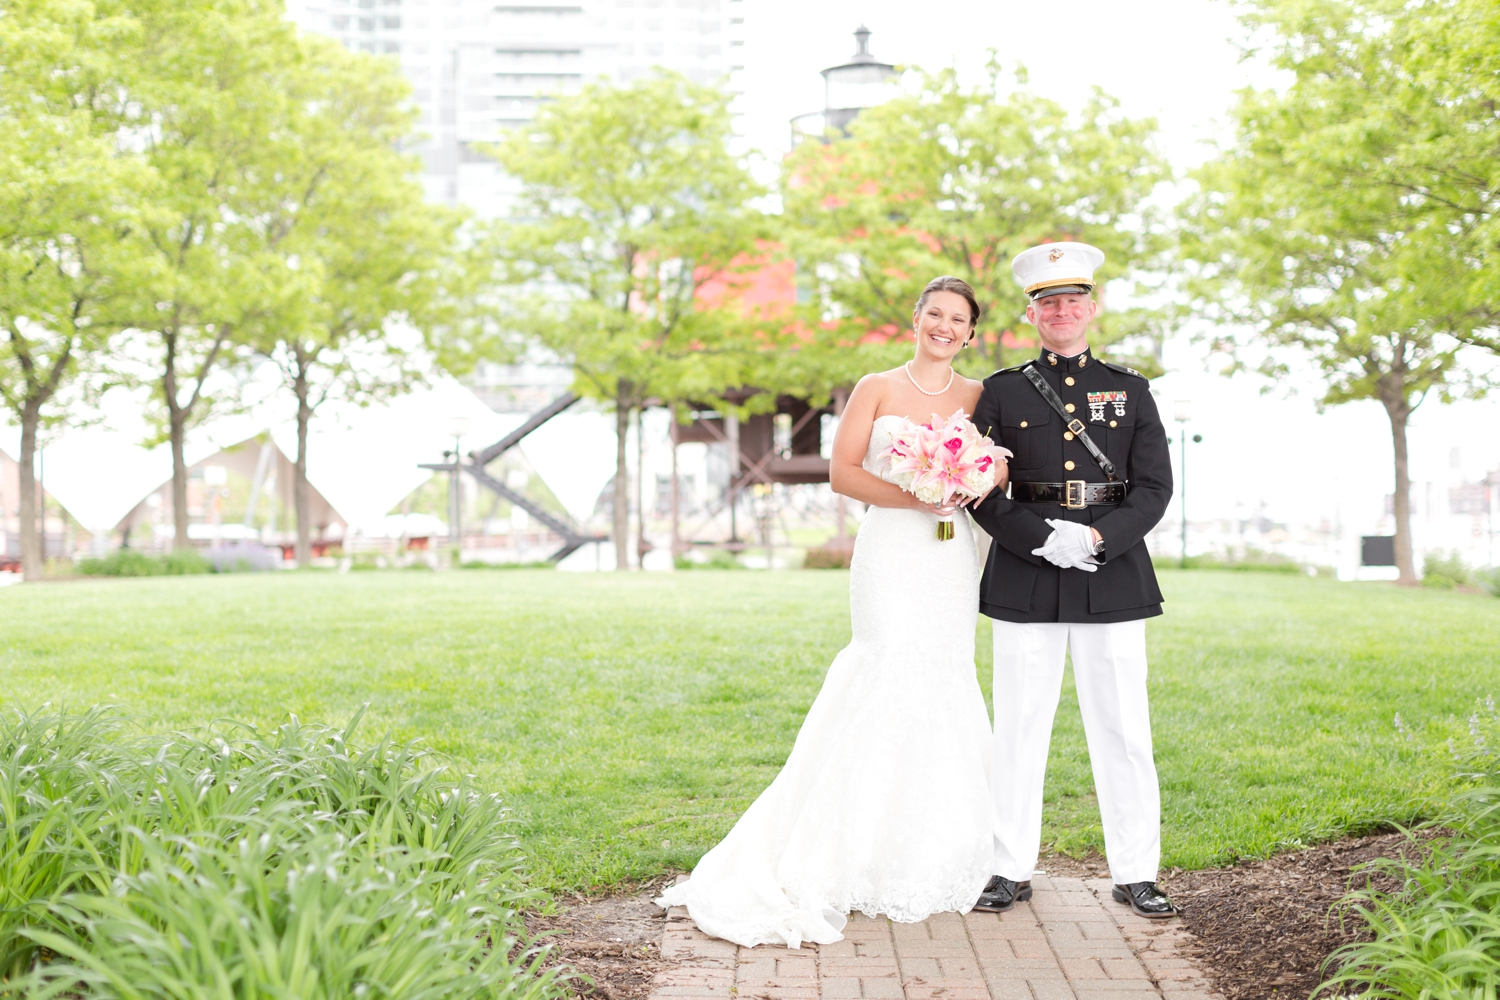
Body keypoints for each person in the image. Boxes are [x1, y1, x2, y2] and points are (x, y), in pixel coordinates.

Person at [655, 276, 1007, 948]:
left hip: (949, 556)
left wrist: (973, 479)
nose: (944, 326)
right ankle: (847, 849)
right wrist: (920, 492)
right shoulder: (876, 386)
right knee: (883, 668)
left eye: (957, 319)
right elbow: (843, 473)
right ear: (916, 318)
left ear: (970, 332)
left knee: (945, 673)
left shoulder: (979, 397)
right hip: (892, 548)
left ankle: (939, 850)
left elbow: (998, 470)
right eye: (934, 313)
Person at [967, 242, 1177, 919]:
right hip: (1026, 573)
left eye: (1073, 299)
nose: (1061, 310)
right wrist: (1039, 538)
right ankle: (1008, 868)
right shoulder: (999, 392)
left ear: (1094, 307)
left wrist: (1093, 536)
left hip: (1109, 573)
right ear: (1031, 313)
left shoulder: (1131, 389)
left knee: (1122, 726)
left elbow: (1153, 488)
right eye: (1047, 301)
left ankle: (1136, 871)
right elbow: (975, 484)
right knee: (1020, 726)